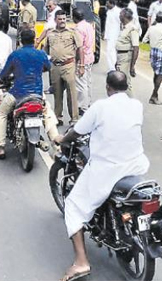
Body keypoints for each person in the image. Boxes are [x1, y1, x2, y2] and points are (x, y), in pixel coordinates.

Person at [55, 71, 150, 281]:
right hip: (135, 166)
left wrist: (63, 138)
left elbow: (77, 131)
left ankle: (81, 262)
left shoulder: (100, 107)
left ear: (108, 87)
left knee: (73, 206)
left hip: (108, 170)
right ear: (126, 87)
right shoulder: (137, 106)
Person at [0, 29, 59, 159]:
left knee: (2, 113)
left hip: (18, 94)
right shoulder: (41, 54)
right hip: (37, 94)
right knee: (47, 114)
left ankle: (0, 147)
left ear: (20, 40)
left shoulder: (16, 55)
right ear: (34, 40)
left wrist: (4, 78)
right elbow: (48, 67)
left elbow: (4, 74)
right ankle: (57, 145)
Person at [46, 10, 83, 126]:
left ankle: (74, 118)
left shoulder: (72, 32)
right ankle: (57, 117)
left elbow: (80, 48)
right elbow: (46, 50)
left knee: (71, 94)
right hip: (55, 67)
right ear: (55, 20)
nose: (62, 21)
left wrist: (81, 65)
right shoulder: (50, 33)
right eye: (60, 19)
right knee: (57, 93)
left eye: (64, 19)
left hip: (69, 65)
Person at [142, 12, 162, 105]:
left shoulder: (151, 28)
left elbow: (144, 40)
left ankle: (155, 95)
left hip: (153, 52)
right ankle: (154, 95)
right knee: (161, 74)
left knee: (156, 74)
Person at [72, 9, 95, 112]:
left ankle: (82, 106)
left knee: (81, 84)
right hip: (90, 56)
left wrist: (79, 63)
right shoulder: (89, 25)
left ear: (74, 18)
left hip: (83, 59)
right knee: (88, 82)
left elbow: (79, 47)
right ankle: (88, 102)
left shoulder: (78, 29)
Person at [114, 8, 140, 95]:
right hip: (121, 57)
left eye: (120, 15)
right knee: (119, 81)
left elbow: (136, 48)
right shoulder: (124, 28)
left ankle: (131, 104)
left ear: (124, 16)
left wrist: (132, 66)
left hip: (126, 57)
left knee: (125, 82)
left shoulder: (132, 29)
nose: (119, 16)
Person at [103, 0, 121, 71]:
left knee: (111, 51)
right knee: (109, 51)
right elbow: (108, 24)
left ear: (112, 4)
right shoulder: (109, 11)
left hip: (115, 35)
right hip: (109, 35)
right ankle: (112, 67)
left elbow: (121, 23)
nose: (106, 5)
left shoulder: (118, 11)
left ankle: (113, 68)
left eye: (108, 4)